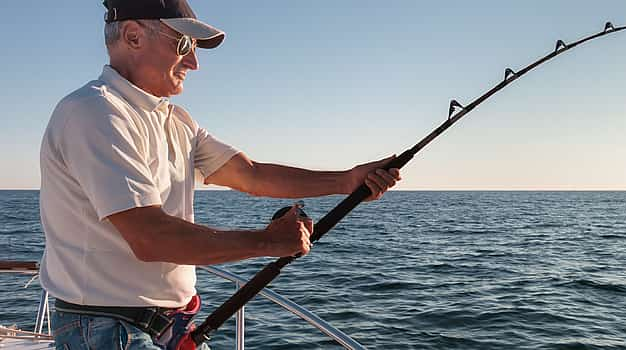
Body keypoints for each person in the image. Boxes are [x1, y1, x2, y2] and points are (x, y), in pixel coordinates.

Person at [38, 0, 401, 348]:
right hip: (105, 329)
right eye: (183, 44)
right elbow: (149, 237)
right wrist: (268, 242)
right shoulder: (95, 112)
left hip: (171, 326)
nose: (194, 62)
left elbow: (251, 174)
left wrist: (347, 181)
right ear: (133, 36)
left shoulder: (175, 120)